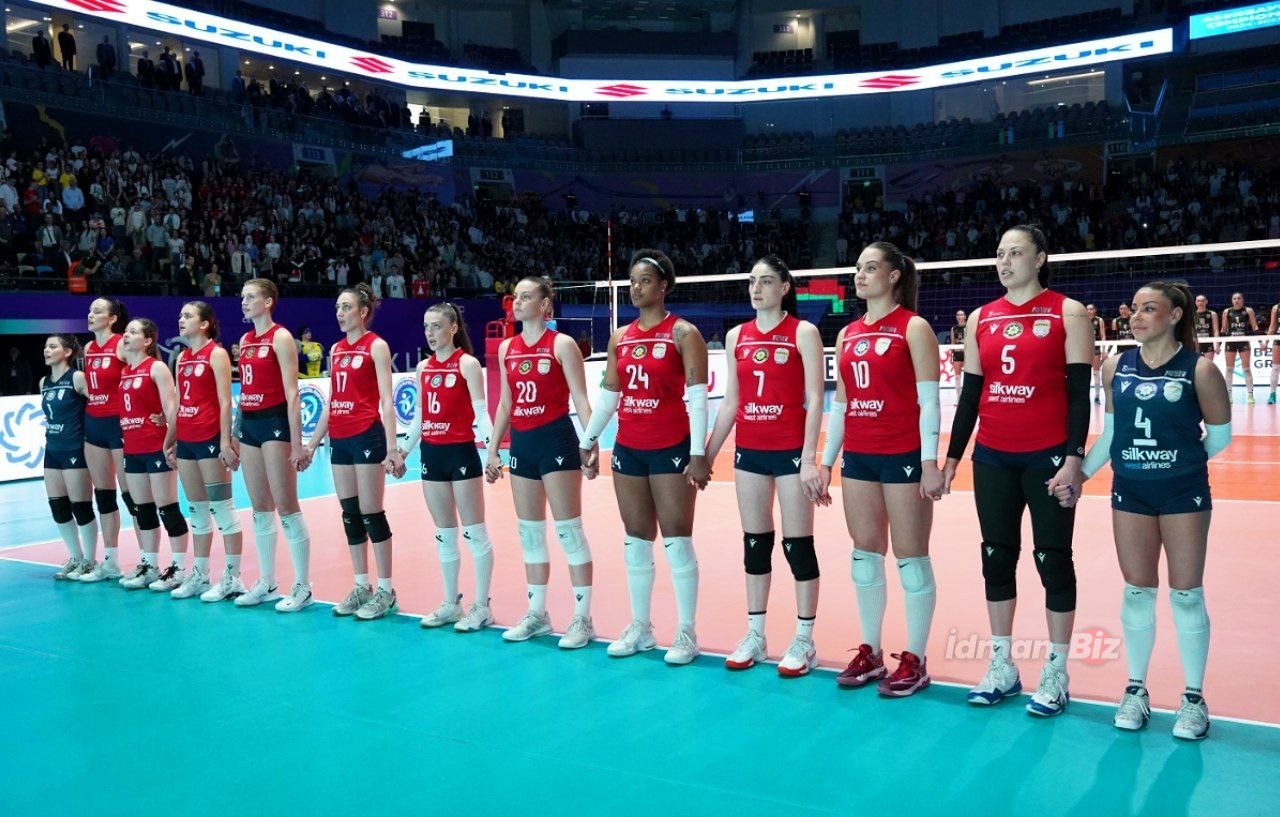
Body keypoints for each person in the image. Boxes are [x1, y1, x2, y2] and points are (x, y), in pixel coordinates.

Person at [943, 225, 1093, 717]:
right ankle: (1002, 665)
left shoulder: (1068, 312)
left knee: (1053, 560)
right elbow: (970, 396)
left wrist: (1074, 459)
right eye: (1000, 253)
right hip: (993, 456)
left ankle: (1056, 671)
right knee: (995, 557)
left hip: (1047, 456)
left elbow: (1078, 394)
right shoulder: (981, 318)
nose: (1005, 262)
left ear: (1040, 258)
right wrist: (951, 461)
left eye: (1016, 253)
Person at [1076, 281, 1230, 740]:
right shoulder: (1114, 366)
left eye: (1149, 309)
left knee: (1186, 595)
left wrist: (1178, 462)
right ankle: (1135, 690)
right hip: (1131, 491)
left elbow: (1220, 438)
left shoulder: (1200, 370)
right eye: (1134, 309)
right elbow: (1111, 435)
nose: (1136, 317)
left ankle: (1193, 699)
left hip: (1183, 493)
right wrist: (1079, 475)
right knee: (1137, 592)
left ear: (1176, 315)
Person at [815, 242, 943, 696]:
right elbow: (841, 403)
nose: (861, 275)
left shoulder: (914, 327)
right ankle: (870, 652)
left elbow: (930, 401)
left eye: (871, 268)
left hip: (904, 455)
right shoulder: (847, 334)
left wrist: (930, 462)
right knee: (864, 557)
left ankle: (915, 660)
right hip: (860, 458)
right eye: (858, 268)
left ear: (893, 276)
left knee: (911, 559)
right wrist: (825, 462)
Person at [578, 250, 710, 664]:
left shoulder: (684, 334)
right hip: (629, 449)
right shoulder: (621, 337)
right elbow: (609, 395)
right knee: (636, 538)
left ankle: (686, 632)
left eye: (645, 281)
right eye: (633, 281)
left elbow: (698, 398)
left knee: (676, 537)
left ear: (663, 286)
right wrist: (588, 439)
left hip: (671, 447)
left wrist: (698, 453)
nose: (636, 288)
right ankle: (641, 627)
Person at [704, 256, 825, 676]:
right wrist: (707, 455)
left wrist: (809, 459)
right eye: (753, 281)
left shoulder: (803, 333)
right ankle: (755, 634)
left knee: (797, 545)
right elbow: (731, 403)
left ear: (785, 287)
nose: (757, 288)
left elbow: (815, 400)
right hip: (750, 452)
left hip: (790, 452)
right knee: (755, 543)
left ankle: (804, 639)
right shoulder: (736, 336)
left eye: (767, 281)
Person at [485, 277, 597, 649]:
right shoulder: (507, 348)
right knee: (530, 534)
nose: (517, 302)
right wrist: (492, 450)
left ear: (545, 304)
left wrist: (590, 443)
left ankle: (582, 619)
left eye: (526, 296)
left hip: (556, 442)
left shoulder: (562, 344)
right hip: (522, 444)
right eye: (515, 297)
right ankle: (537, 614)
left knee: (569, 532)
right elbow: (505, 404)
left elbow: (581, 399)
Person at [302, 284, 403, 620]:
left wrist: (392, 447)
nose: (339, 313)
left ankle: (386, 591)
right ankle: (362, 586)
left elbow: (387, 400)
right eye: (337, 307)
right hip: (340, 439)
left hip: (367, 435)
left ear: (363, 312)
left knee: (372, 512)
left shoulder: (376, 346)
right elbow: (332, 401)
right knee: (350, 514)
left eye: (346, 307)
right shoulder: (336, 349)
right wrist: (312, 443)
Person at [401, 303, 495, 632]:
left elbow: (481, 414)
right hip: (431, 455)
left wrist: (492, 452)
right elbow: (419, 417)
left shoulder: (467, 364)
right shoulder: (422, 368)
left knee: (474, 532)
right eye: (426, 327)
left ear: (453, 328)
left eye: (437, 326)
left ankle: (482, 606)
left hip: (461, 454)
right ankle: (451, 603)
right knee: (444, 534)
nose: (430, 333)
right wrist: (402, 451)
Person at [232, 279, 312, 611]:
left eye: (250, 297)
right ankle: (266, 581)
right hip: (250, 425)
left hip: (275, 422)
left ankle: (303, 586)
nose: (244, 301)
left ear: (268, 302)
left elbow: (293, 393)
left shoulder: (280, 337)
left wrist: (297, 443)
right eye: (242, 297)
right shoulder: (245, 340)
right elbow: (244, 393)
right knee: (260, 506)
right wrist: (235, 434)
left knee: (286, 504)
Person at [165, 301, 244, 601]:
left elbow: (225, 401)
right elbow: (179, 403)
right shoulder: (182, 358)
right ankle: (200, 574)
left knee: (222, 509)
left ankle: (232, 577)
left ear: (205, 323)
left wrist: (225, 442)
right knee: (196, 510)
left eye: (188, 316)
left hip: (210, 438)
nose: (181, 319)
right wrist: (171, 439)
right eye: (180, 315)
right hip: (186, 440)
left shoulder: (217, 353)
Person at [116, 318, 190, 590]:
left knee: (167, 508)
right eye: (126, 331)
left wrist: (171, 441)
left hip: (155, 446)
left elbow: (171, 408)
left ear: (147, 341)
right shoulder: (125, 371)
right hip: (132, 448)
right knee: (142, 509)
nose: (126, 335)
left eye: (133, 332)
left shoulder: (156, 367)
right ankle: (149, 566)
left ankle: (179, 568)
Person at [76, 298, 135, 583]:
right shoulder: (88, 348)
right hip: (94, 424)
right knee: (104, 496)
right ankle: (111, 563)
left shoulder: (122, 344)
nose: (91, 315)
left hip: (120, 425)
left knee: (132, 496)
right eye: (90, 310)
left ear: (112, 318)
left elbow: (145, 372)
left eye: (97, 311)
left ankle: (147, 561)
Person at [41, 334, 98, 580]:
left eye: (52, 346)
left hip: (75, 449)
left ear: (67, 352)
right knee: (58, 507)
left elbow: (100, 404)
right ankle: (75, 557)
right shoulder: (44, 382)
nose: (46, 350)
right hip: (52, 450)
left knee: (81, 506)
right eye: (46, 346)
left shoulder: (77, 377)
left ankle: (89, 560)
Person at [1220, 292, 1257, 404]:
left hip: (1243, 341)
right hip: (1231, 342)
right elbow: (1223, 329)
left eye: (1239, 298)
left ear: (1242, 300)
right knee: (1229, 369)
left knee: (1246, 369)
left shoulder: (1248, 310)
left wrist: (1261, 341)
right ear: (1232, 300)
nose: (1237, 300)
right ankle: (1229, 396)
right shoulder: (1227, 312)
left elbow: (1255, 327)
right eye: (1235, 298)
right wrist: (1218, 344)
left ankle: (1250, 395)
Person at [1087, 303, 1107, 405]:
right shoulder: (1083, 320)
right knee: (1085, 374)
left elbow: (1103, 336)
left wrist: (1104, 350)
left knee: (1096, 373)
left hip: (1096, 350)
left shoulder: (1099, 320)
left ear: (1095, 310)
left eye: (1091, 309)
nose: (1089, 311)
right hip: (1085, 350)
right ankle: (1085, 396)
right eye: (1087, 309)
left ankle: (1097, 396)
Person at [1194, 295, 1218, 363]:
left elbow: (1216, 330)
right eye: (1198, 301)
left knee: (1208, 364)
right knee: (1195, 365)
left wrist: (1217, 344)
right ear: (1195, 302)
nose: (1200, 302)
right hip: (1197, 343)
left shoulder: (1212, 314)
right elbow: (1191, 330)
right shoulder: (1192, 314)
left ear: (1206, 302)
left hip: (1208, 342)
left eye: (1202, 301)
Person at [1265, 296, 1280, 405]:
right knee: (1275, 368)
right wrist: (1266, 342)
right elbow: (1272, 326)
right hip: (1278, 338)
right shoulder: (1276, 308)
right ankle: (1272, 394)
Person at [949, 309, 967, 386]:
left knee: (968, 375)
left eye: (961, 315)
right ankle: (958, 393)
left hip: (966, 353)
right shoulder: (954, 328)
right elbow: (953, 342)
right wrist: (951, 356)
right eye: (958, 315)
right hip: (957, 353)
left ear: (965, 317)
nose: (959, 316)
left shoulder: (968, 327)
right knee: (957, 376)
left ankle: (966, 392)